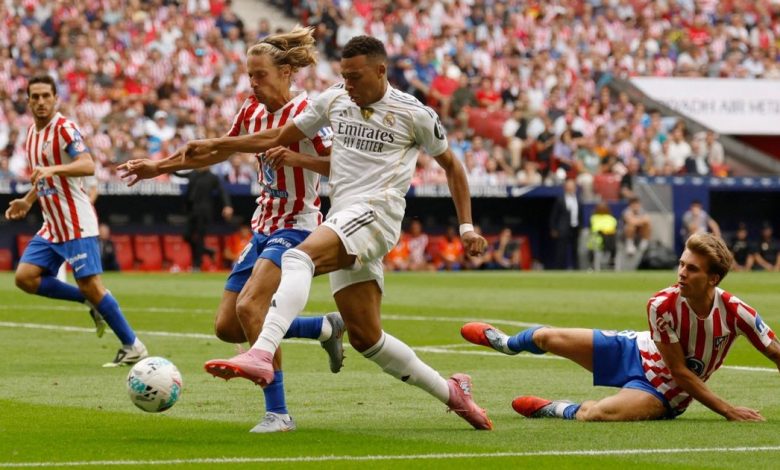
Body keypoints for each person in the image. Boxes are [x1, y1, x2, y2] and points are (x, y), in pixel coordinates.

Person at [124, 36, 492, 430]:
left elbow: (452, 166)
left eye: (355, 76)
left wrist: (467, 227)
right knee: (366, 339)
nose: (348, 84)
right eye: (344, 76)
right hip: (335, 218)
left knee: (296, 260)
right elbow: (270, 138)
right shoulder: (334, 99)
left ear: (381, 70)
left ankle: (264, 364)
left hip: (373, 213)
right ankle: (452, 392)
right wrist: (175, 160)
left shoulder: (413, 113)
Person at [119, 27, 346, 433]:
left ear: (286, 73)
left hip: (297, 226)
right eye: (249, 75)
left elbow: (341, 166)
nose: (253, 83)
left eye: (260, 75)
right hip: (263, 225)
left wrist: (299, 160)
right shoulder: (250, 109)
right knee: (228, 326)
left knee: (250, 307)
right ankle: (321, 326)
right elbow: (217, 150)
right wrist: (158, 167)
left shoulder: (309, 112)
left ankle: (278, 413)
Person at [462, 233, 780, 422]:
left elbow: (681, 374)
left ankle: (555, 408)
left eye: (692, 269)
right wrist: (728, 410)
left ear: (713, 279)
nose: (681, 273)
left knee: (597, 414)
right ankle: (506, 343)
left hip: (664, 392)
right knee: (546, 336)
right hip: (633, 350)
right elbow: (678, 366)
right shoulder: (661, 304)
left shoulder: (737, 312)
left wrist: (728, 410)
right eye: (681, 264)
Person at [5, 75, 147, 367]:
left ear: (56, 98)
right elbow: (43, 177)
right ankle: (90, 301)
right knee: (25, 278)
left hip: (76, 222)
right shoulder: (31, 133)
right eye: (35, 97)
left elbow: (87, 164)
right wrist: (28, 200)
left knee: (90, 284)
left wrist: (53, 169)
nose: (41, 102)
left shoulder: (64, 128)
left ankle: (133, 346)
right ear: (28, 101)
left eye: (46, 96)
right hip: (52, 225)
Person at [180, 166, 233, 272]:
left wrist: (227, 205)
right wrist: (169, 167)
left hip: (204, 212)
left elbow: (222, 191)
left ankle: (197, 265)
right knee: (187, 236)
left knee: (200, 238)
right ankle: (208, 251)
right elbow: (179, 175)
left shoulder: (212, 177)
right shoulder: (193, 173)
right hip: (191, 211)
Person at [549, 179, 580, 269]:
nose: (570, 188)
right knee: (561, 250)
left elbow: (580, 214)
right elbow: (554, 215)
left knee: (575, 249)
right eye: (568, 186)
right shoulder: (560, 199)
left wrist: (580, 227)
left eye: (572, 186)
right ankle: (559, 268)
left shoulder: (578, 199)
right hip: (562, 228)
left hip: (575, 227)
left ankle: (576, 268)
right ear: (565, 188)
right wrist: (553, 228)